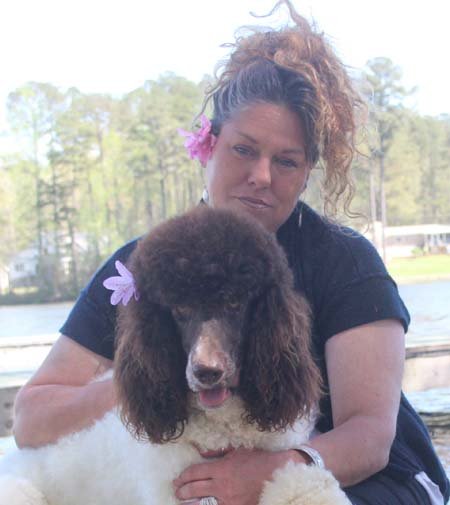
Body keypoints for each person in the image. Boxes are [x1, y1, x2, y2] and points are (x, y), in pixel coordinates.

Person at [13, 2, 449, 504]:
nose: (262, 176)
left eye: (286, 161)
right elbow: (30, 420)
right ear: (209, 144)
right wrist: (144, 375)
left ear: (307, 172)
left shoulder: (344, 260)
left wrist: (274, 471)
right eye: (244, 149)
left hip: (361, 481)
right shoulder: (141, 266)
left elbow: (369, 436)